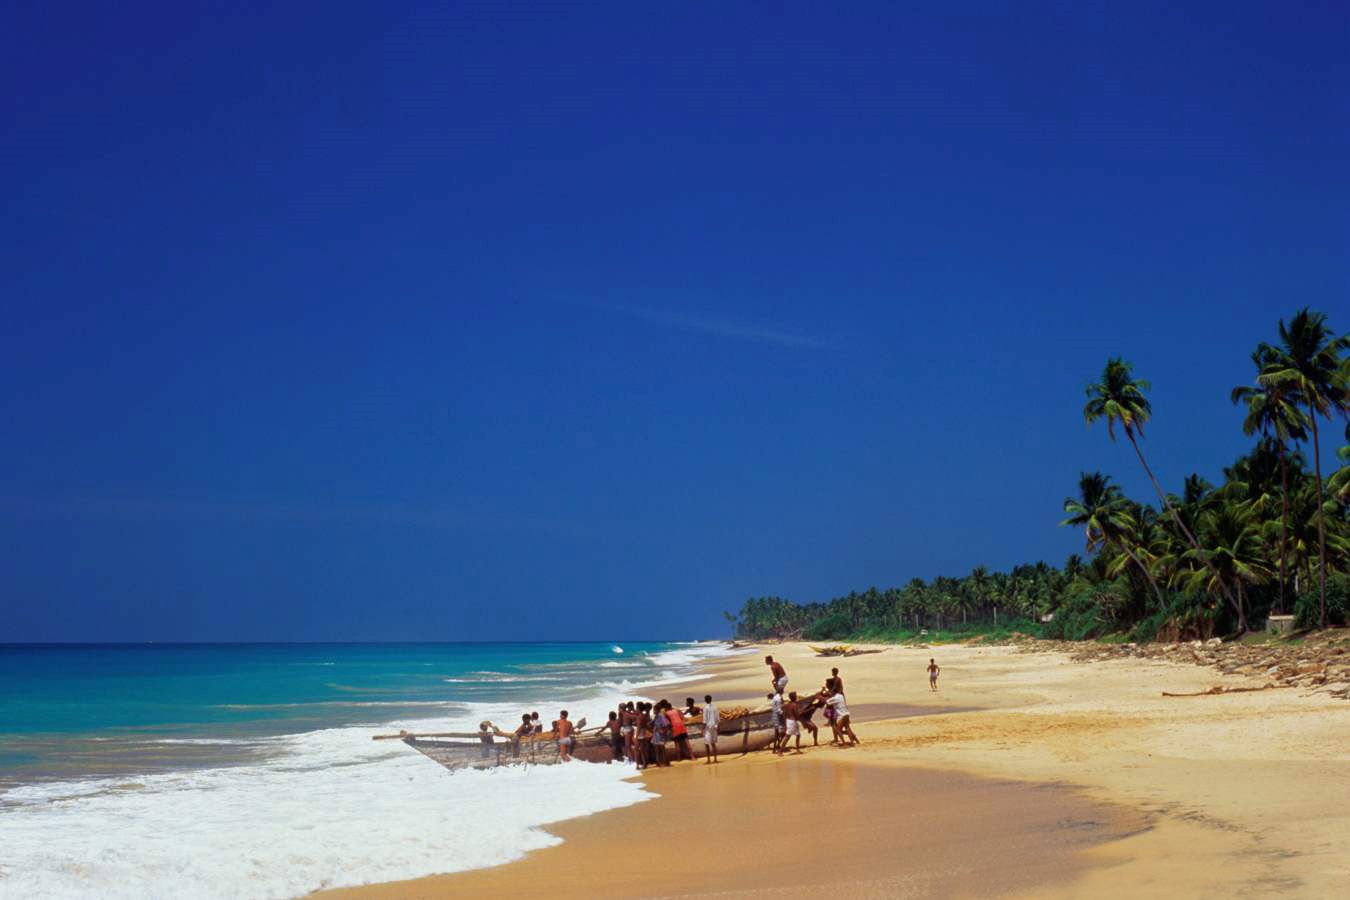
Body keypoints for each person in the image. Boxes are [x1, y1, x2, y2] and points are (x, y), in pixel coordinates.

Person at [650, 702, 671, 767]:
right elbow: (652, 723)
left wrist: (663, 731)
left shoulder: (660, 716)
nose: (653, 711)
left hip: (659, 735)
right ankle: (659, 762)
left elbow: (667, 724)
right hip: (656, 734)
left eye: (654, 710)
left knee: (661, 749)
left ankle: (665, 762)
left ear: (657, 710)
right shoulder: (656, 716)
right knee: (657, 749)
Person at [701, 694, 719, 765]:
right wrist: (718, 726)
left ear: (705, 700)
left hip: (708, 727)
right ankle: (715, 759)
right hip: (714, 726)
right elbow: (717, 718)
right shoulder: (715, 707)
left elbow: (705, 720)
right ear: (711, 699)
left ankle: (708, 760)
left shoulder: (705, 708)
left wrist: (702, 729)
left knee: (707, 744)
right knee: (713, 743)